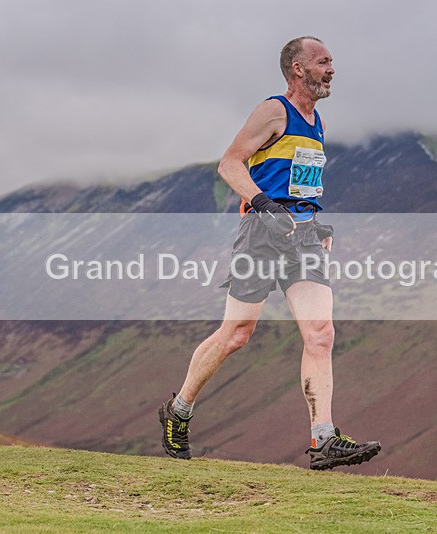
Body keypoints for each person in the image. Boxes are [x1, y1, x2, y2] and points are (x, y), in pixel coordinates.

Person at [158, 36, 381, 470]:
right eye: (323, 62)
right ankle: (179, 410)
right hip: (260, 233)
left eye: (332, 62)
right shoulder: (274, 110)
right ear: (298, 69)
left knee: (321, 333)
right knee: (236, 335)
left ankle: (323, 440)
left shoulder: (316, 121)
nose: (332, 69)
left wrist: (314, 219)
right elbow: (229, 163)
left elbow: (298, 182)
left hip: (303, 238)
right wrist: (264, 205)